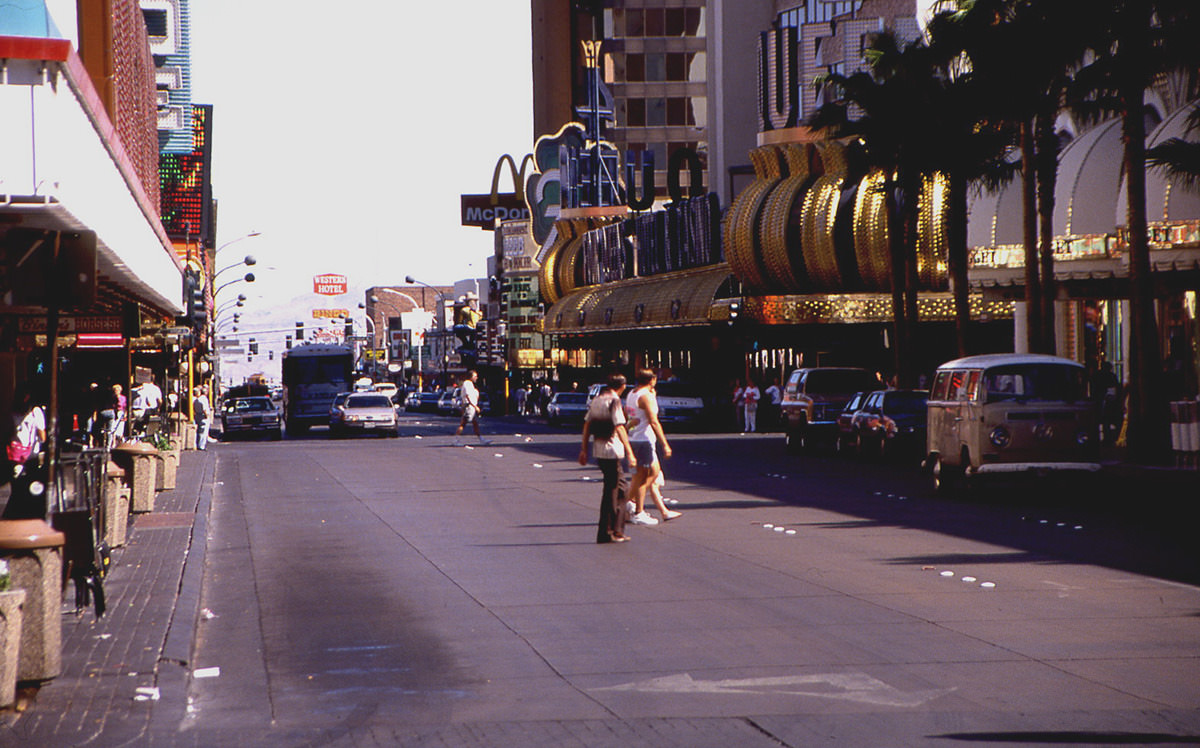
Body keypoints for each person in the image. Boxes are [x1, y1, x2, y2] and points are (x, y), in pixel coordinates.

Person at [578, 373, 636, 543]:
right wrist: (630, 452)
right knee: (615, 491)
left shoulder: (596, 400)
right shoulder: (615, 401)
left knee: (616, 490)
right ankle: (609, 531)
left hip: (599, 449)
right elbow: (619, 427)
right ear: (622, 386)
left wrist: (584, 449)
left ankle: (614, 530)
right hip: (612, 450)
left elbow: (587, 425)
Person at [625, 368, 680, 525]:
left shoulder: (632, 394)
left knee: (647, 474)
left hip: (636, 438)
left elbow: (627, 413)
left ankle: (629, 503)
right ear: (652, 380)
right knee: (645, 476)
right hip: (644, 440)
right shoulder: (645, 397)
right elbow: (653, 421)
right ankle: (635, 509)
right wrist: (665, 443)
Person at [2, 385, 47, 519]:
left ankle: (14, 516)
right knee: (31, 487)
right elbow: (42, 437)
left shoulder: (11, 411)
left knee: (16, 488)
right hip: (31, 456)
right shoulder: (35, 412)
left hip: (15, 456)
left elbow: (8, 432)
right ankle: (23, 516)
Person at [454, 370, 488, 444]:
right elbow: (468, 396)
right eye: (475, 376)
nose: (476, 378)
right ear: (471, 377)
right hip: (468, 407)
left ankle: (481, 439)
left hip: (471, 407)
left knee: (475, 423)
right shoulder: (467, 384)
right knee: (463, 423)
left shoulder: (470, 384)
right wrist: (475, 406)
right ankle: (456, 440)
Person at [193, 385, 212, 450]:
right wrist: (207, 415)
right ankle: (201, 446)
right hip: (203, 416)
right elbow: (204, 408)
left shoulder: (197, 399)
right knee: (204, 432)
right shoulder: (204, 399)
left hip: (197, 415)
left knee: (199, 431)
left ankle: (198, 444)